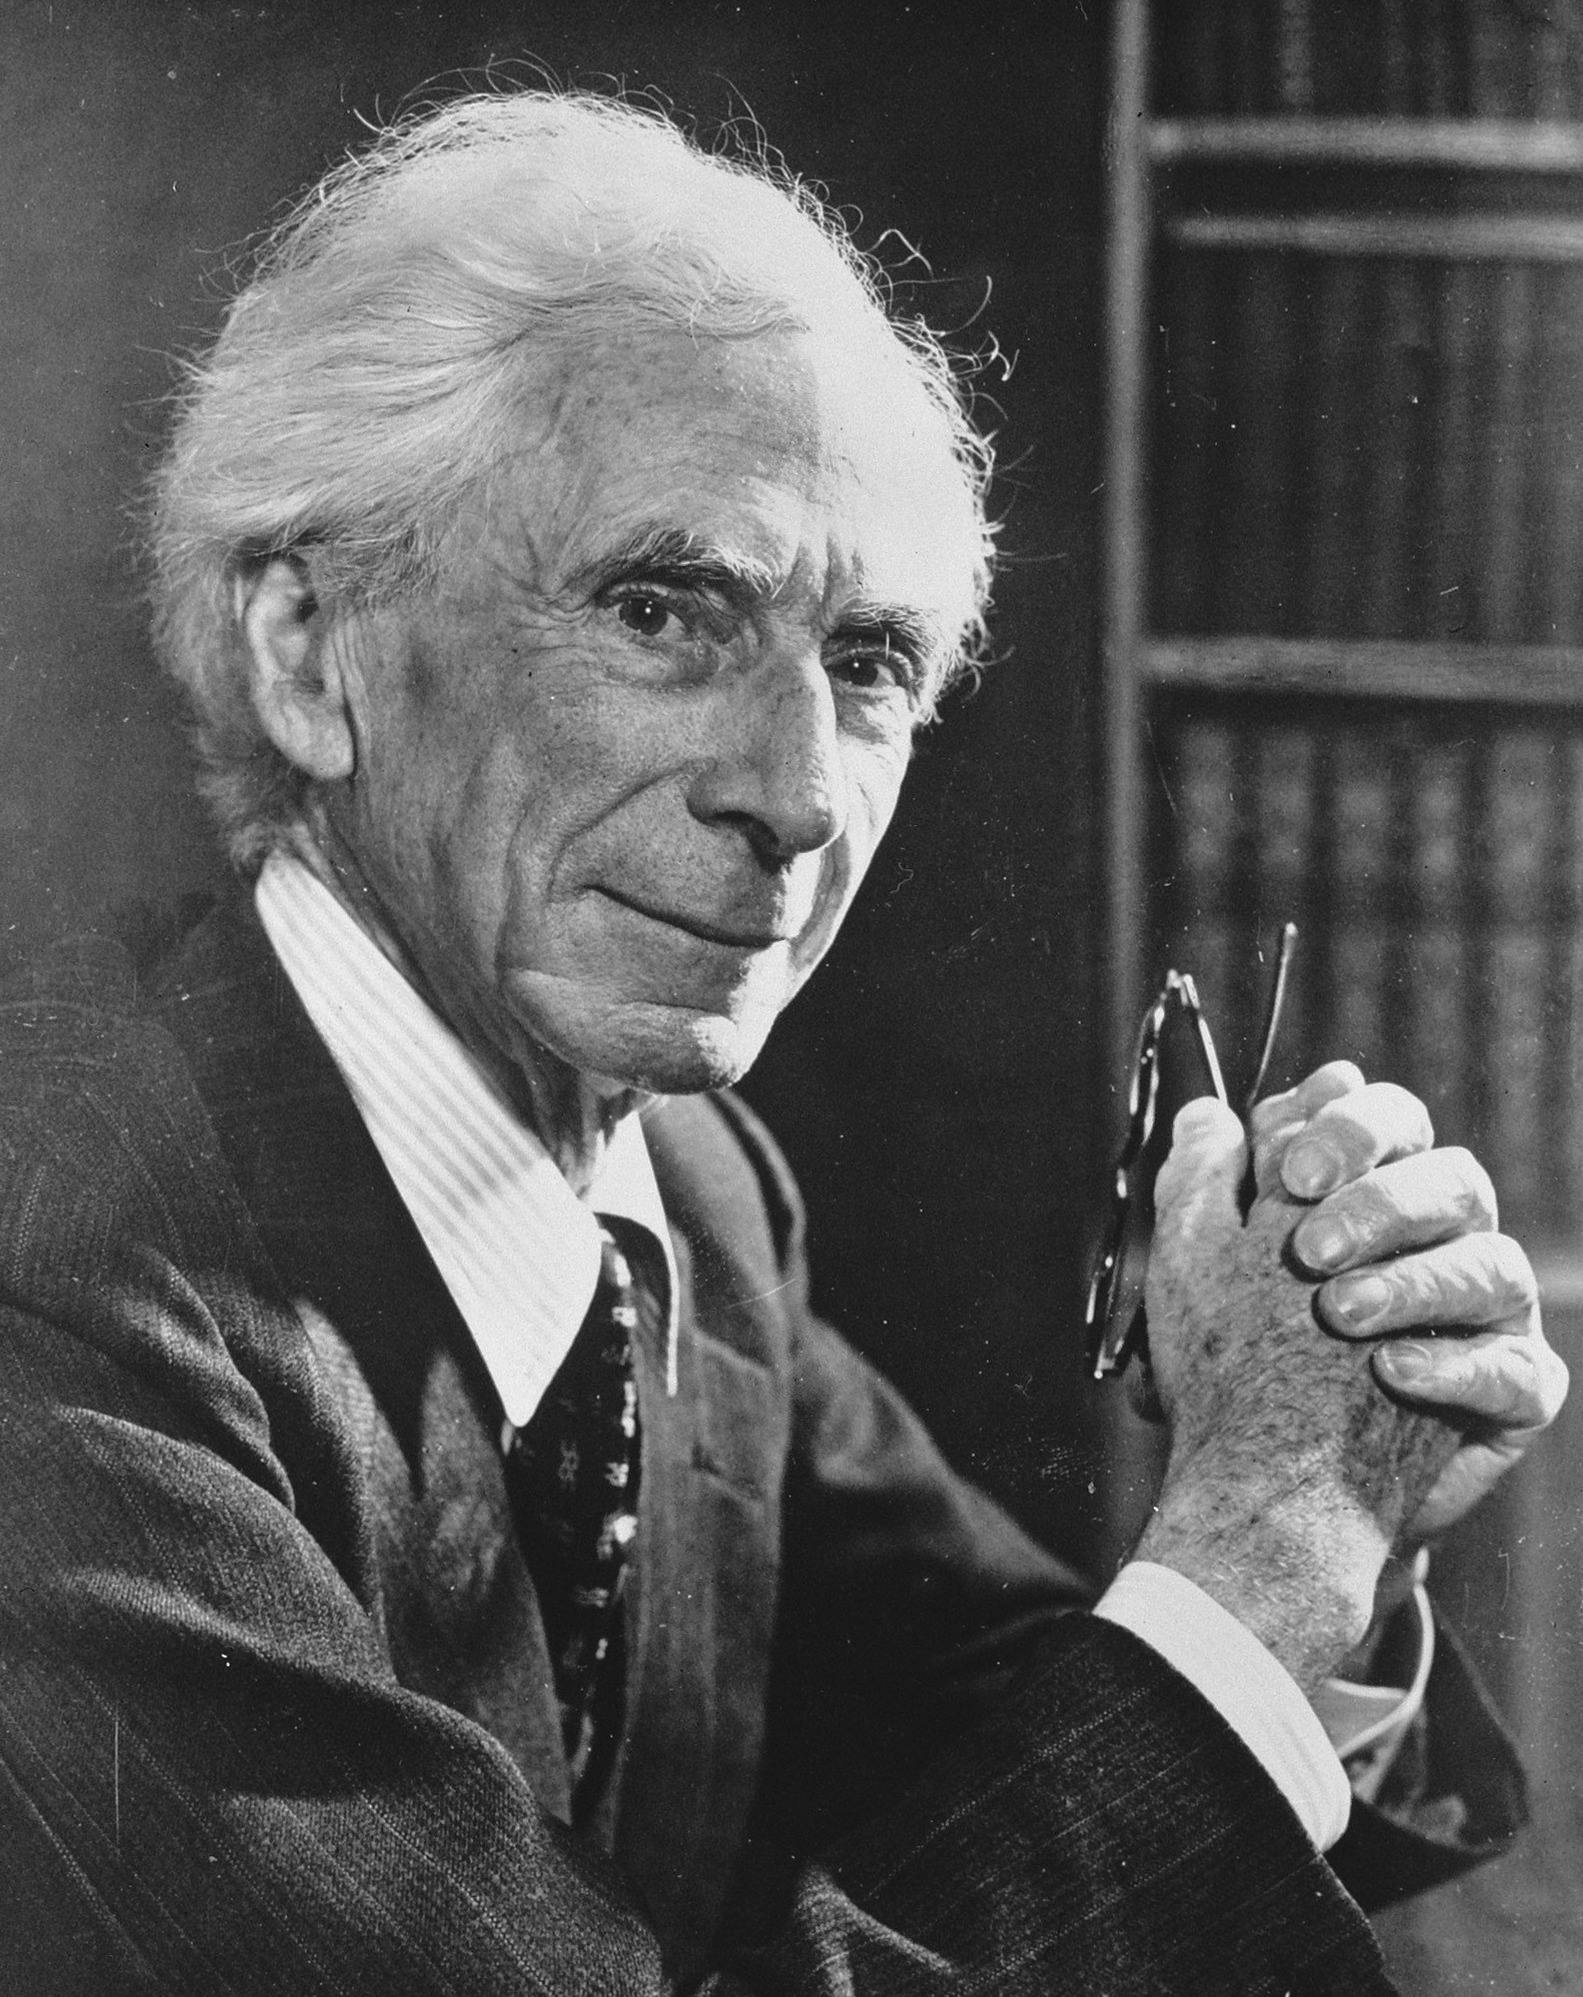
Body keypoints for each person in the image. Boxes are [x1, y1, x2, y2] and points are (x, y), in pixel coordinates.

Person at [0, 88, 1565, 1995]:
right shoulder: (52, 1273)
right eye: (665, 609)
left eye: (871, 662)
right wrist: (1275, 1537)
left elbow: (1034, 1724)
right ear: (308, 649)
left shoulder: (694, 1194)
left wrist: (1340, 1499)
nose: (804, 794)